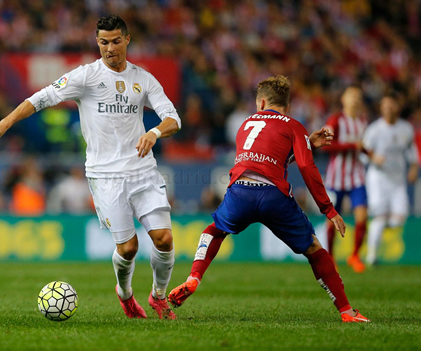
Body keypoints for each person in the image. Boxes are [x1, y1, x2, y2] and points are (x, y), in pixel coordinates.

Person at [0, 15, 180, 320]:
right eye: (103, 42)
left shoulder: (144, 79)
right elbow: (41, 98)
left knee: (164, 239)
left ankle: (158, 297)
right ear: (97, 42)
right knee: (128, 249)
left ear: (127, 40)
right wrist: (5, 122)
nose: (109, 48)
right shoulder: (86, 76)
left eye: (115, 41)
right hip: (105, 175)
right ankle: (125, 294)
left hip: (143, 171)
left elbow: (173, 119)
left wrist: (153, 133)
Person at [168, 76, 370, 323]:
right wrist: (328, 209)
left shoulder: (245, 124)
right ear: (287, 104)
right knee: (314, 249)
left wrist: (307, 144)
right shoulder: (294, 125)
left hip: (240, 191)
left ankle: (193, 278)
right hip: (273, 195)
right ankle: (347, 312)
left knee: (213, 231)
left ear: (261, 103)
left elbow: (265, 158)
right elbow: (306, 168)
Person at [363, 94, 419, 266]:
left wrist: (414, 168)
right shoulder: (374, 130)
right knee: (380, 215)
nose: (388, 109)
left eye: (391, 106)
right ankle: (371, 256)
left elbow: (412, 152)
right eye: (385, 106)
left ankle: (376, 226)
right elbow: (363, 152)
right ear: (381, 108)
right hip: (378, 178)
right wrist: (373, 158)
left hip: (398, 180)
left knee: (398, 219)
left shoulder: (406, 129)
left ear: (397, 107)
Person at [323, 86, 368, 273]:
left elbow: (364, 146)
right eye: (352, 95)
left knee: (362, 216)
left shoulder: (363, 123)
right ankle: (330, 257)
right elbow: (325, 144)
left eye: (358, 96)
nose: (355, 99)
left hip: (357, 176)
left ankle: (354, 255)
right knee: (332, 219)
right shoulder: (336, 120)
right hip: (336, 177)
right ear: (343, 99)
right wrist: (351, 145)